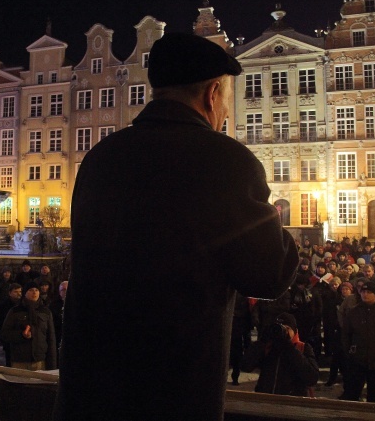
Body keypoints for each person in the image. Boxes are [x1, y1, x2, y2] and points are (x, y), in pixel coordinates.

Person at [54, 33, 299, 421]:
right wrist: (277, 222)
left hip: (91, 387)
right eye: (226, 100)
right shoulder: (228, 162)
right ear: (212, 93)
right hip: (175, 388)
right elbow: (268, 275)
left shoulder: (101, 158)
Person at [242, 312, 318, 396]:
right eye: (279, 328)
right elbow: (245, 366)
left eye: (287, 329)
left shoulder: (303, 348)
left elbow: (312, 378)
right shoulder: (268, 347)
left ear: (295, 331)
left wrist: (289, 347)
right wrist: (262, 342)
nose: (282, 332)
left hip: (292, 403)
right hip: (266, 401)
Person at [1, 281, 57, 371]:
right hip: (20, 361)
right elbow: (4, 334)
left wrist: (52, 365)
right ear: (25, 293)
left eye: (36, 290)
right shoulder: (15, 311)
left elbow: (51, 339)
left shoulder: (45, 312)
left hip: (39, 361)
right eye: (31, 290)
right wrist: (21, 335)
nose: (34, 292)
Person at [0, 283, 23, 367]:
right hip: (9, 336)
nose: (19, 294)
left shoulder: (23, 304)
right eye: (15, 291)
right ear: (10, 293)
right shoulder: (3, 305)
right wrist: (0, 338)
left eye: (20, 291)